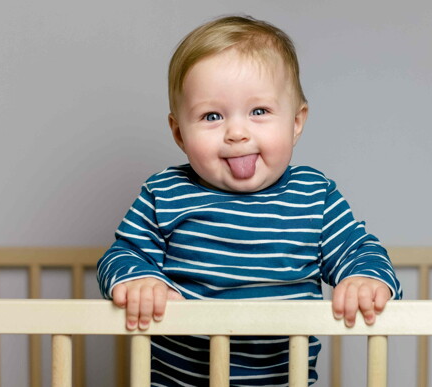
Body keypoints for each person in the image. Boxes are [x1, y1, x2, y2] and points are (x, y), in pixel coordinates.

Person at [97, 14, 402, 386]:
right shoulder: (165, 192)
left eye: (259, 111)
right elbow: (123, 254)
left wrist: (363, 278)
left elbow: (358, 249)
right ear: (179, 133)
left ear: (296, 122)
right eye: (212, 116)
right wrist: (140, 280)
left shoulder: (314, 195)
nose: (237, 133)